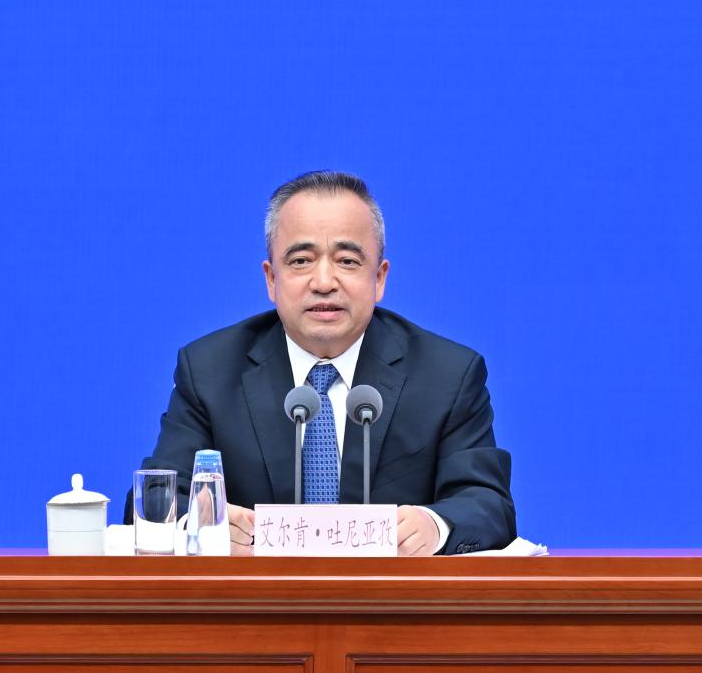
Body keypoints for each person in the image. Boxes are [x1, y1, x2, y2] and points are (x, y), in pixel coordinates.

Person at [125, 170, 516, 556]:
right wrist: (199, 526)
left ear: (379, 278)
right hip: (257, 597)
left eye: (347, 261)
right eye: (301, 261)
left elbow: (487, 503)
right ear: (271, 279)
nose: (324, 282)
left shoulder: (446, 375)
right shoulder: (210, 371)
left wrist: (433, 525)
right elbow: (155, 499)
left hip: (391, 597)